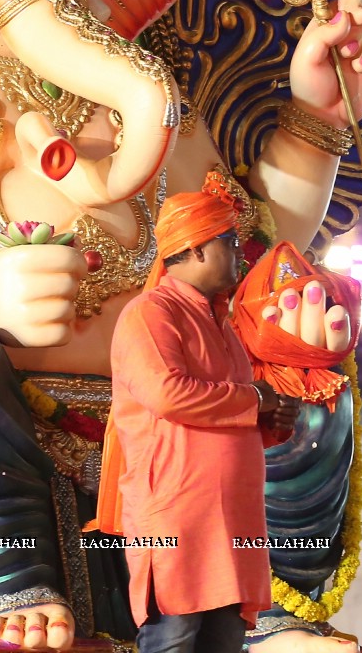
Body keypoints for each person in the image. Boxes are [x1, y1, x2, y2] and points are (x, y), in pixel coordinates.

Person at [98, 174, 310, 653]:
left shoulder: (223, 326)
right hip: (178, 517)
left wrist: (272, 420)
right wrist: (256, 400)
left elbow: (227, 414)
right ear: (195, 250)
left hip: (231, 523)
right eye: (230, 243)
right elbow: (169, 394)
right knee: (176, 636)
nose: (240, 254)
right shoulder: (151, 313)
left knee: (224, 639)